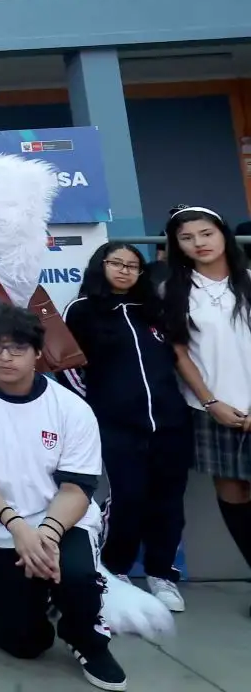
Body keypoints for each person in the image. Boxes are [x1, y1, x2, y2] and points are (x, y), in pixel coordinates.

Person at [0, 303, 125, 690]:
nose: (5, 357)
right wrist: (17, 528)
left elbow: (76, 489)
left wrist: (46, 533)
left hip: (62, 521)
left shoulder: (70, 408)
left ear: (37, 352)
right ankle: (32, 602)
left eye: (17, 348)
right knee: (25, 643)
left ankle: (88, 639)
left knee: (76, 577)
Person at [65, 240, 191, 611]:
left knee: (169, 502)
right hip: (118, 424)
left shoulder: (155, 311)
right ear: (100, 266)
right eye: (116, 263)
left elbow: (179, 361)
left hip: (171, 422)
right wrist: (96, 409)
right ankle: (115, 569)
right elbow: (69, 367)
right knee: (128, 496)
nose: (124, 270)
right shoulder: (82, 310)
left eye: (133, 265)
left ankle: (162, 575)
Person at [162, 205, 251, 606]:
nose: (198, 243)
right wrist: (211, 401)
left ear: (222, 235)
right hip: (211, 411)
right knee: (233, 495)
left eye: (205, 234)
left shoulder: (248, 281)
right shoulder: (175, 291)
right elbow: (180, 354)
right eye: (187, 238)